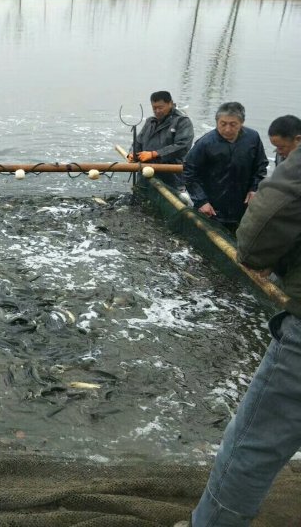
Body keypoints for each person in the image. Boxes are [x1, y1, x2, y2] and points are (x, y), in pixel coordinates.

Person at [184, 128, 301, 527]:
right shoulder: (204, 144)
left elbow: (257, 239)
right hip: (217, 204)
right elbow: (191, 171)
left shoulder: (269, 154)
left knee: (254, 443)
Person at [183, 102, 268, 231]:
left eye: (233, 124)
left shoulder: (253, 138)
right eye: (223, 124)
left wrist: (255, 188)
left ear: (242, 123)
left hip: (243, 204)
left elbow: (261, 166)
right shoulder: (205, 143)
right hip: (212, 208)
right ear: (217, 122)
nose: (227, 129)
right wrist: (201, 201)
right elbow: (189, 172)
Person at [129, 90, 194, 189]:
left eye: (160, 107)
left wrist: (155, 154)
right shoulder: (150, 121)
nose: (157, 111)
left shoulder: (182, 121)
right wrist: (132, 154)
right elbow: (138, 142)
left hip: (171, 176)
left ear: (170, 104)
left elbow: (182, 146)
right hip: (146, 172)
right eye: (154, 108)